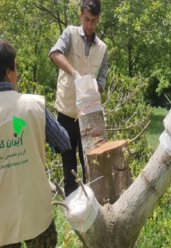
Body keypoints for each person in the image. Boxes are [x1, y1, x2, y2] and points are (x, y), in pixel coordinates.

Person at [0, 38, 71, 248]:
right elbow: (63, 141)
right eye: (15, 68)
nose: (17, 74)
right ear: (9, 72)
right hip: (36, 214)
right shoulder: (33, 106)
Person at [49, 0, 108, 196]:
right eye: (86, 19)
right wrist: (75, 74)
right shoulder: (70, 33)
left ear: (98, 19)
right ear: (80, 16)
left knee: (91, 165)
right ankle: (74, 213)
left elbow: (102, 82)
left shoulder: (102, 48)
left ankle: (92, 209)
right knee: (69, 168)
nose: (89, 25)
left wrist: (92, 87)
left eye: (93, 20)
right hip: (66, 113)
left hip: (89, 117)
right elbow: (55, 53)